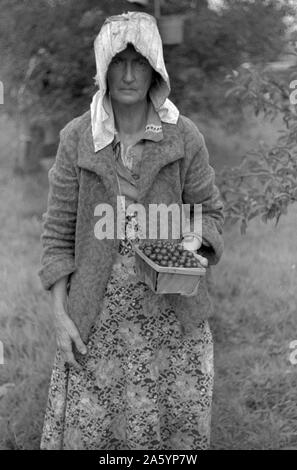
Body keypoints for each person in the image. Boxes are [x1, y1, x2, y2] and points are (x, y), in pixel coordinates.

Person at [38, 12, 224, 450]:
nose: (127, 74)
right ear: (103, 69)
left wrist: (192, 241)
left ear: (155, 67)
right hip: (98, 322)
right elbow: (58, 236)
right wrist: (61, 316)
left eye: (138, 62)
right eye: (117, 62)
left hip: (171, 319)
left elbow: (209, 211)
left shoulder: (183, 136)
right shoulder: (78, 138)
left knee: (171, 441)